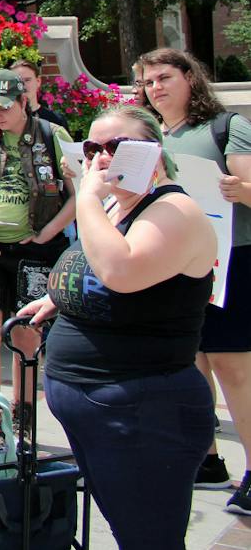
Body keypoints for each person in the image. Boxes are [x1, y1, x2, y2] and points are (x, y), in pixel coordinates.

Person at [19, 105, 217, 550]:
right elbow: (95, 266)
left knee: (148, 540)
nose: (103, 157)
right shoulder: (116, 206)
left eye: (118, 146)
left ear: (156, 152)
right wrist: (59, 298)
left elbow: (121, 270)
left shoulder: (175, 211)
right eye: (93, 148)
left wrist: (84, 197)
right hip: (96, 408)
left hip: (143, 411)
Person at [138, 46, 251, 508]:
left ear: (190, 77)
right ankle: (206, 458)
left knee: (233, 368)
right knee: (189, 364)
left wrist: (239, 188)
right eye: (147, 82)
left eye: (164, 77)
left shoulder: (226, 127)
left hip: (231, 260)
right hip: (173, 263)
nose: (156, 88)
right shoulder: (146, 135)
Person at [0, 69, 75, 426]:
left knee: (25, 333)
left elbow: (77, 197)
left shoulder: (52, 135)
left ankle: (23, 413)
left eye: (3, 108)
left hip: (35, 247)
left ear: (24, 102)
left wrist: (46, 233)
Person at [10, 58, 66, 128]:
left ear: (38, 81)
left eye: (27, 80)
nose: (22, 85)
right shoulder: (2, 119)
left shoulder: (55, 120)